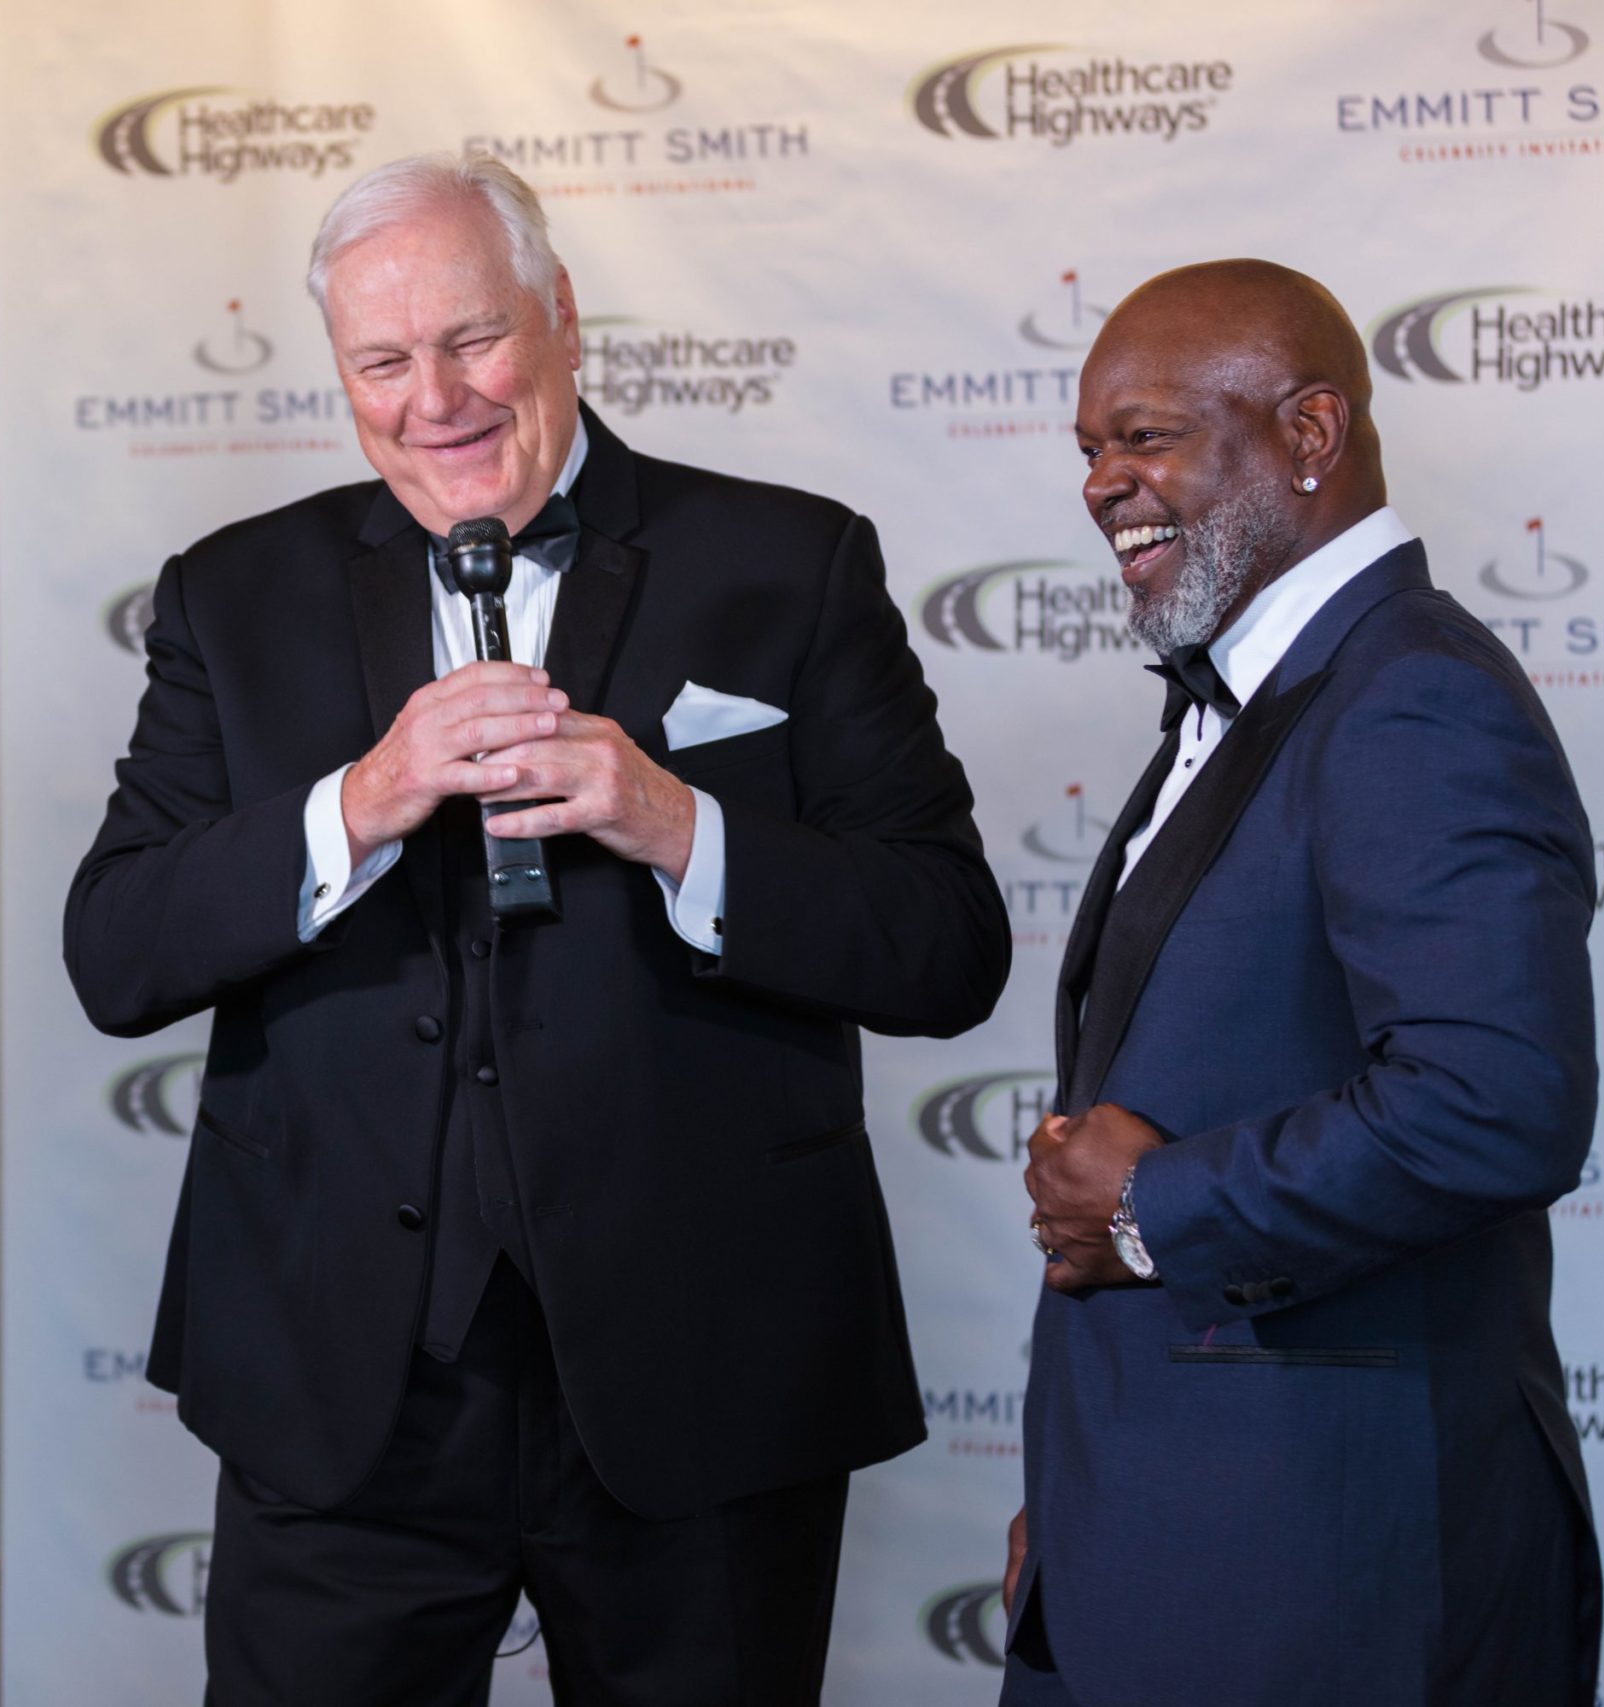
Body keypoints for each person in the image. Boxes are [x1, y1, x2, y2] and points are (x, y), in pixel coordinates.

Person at [68, 151, 1007, 1705]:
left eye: (474, 338)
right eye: (383, 361)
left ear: (562, 313)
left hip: (706, 1373)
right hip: (340, 1386)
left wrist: (675, 823)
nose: (434, 399)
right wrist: (359, 802)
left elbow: (949, 942)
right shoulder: (233, 593)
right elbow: (117, 951)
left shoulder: (793, 563)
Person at [1004, 260, 1600, 1706]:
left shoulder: (1412, 695)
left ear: (1310, 434)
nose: (1102, 484)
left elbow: (1496, 1104)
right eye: (1090, 449)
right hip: (1163, 1538)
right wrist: (1081, 1505)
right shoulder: (1261, 694)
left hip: (1333, 1571)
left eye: (1145, 437)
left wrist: (1153, 1205)